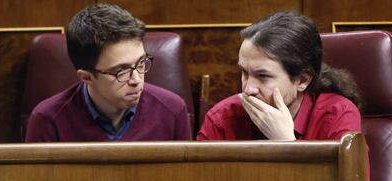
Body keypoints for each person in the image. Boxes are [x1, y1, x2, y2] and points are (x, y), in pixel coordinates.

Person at [25, 3, 192, 142]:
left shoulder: (172, 111)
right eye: (121, 71)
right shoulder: (47, 121)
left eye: (141, 63)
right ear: (87, 77)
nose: (136, 80)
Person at [197, 11, 362, 141]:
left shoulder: (337, 115)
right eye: (244, 73)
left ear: (302, 80)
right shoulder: (222, 117)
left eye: (263, 76)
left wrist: (286, 142)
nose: (248, 89)